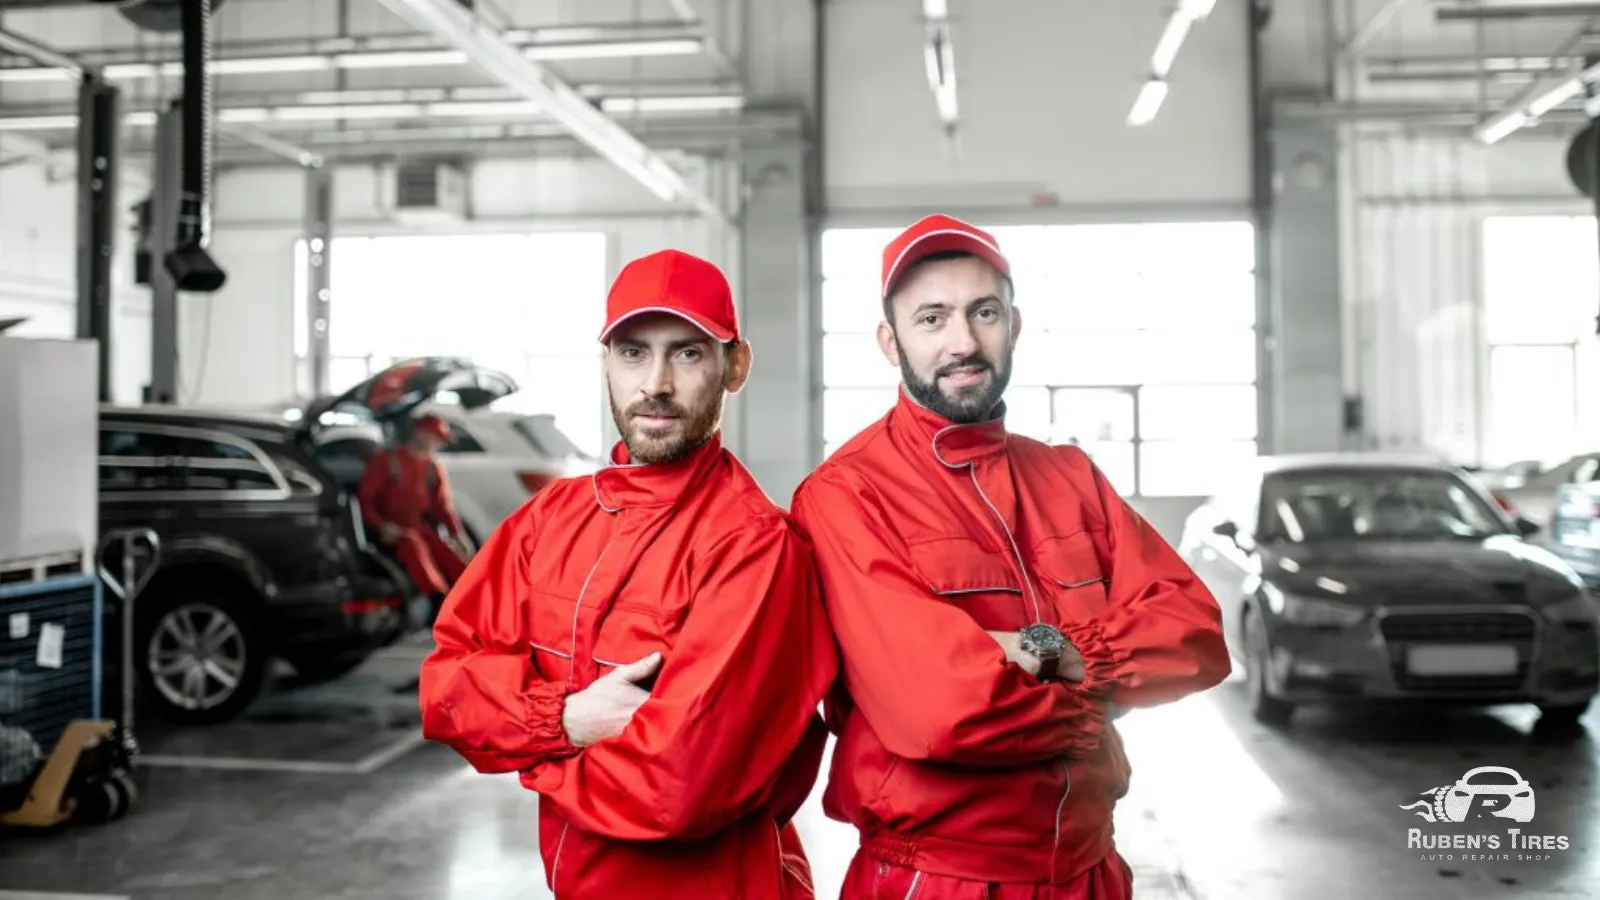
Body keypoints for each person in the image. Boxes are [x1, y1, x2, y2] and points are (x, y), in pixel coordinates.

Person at [790, 214, 1233, 900]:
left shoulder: (1070, 477)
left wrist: (1042, 652)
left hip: (1091, 871)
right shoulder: (847, 495)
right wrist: (1101, 699)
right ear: (890, 341)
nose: (963, 341)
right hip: (936, 878)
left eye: (983, 312)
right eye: (931, 318)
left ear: (1014, 325)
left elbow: (1198, 638)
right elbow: (937, 711)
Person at [418, 249, 838, 900]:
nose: (656, 383)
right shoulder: (550, 520)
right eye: (633, 353)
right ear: (608, 365)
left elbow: (677, 788)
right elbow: (445, 691)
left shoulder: (756, 549)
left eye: (688, 353)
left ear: (736, 366)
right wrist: (568, 721)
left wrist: (525, 743)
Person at [357, 412, 470, 599]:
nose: (437, 444)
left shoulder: (433, 468)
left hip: (420, 528)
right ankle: (438, 599)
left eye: (440, 440)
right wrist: (381, 525)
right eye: (434, 437)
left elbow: (442, 506)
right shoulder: (387, 461)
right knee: (412, 543)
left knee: (447, 551)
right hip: (392, 531)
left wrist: (457, 534)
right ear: (420, 433)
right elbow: (365, 501)